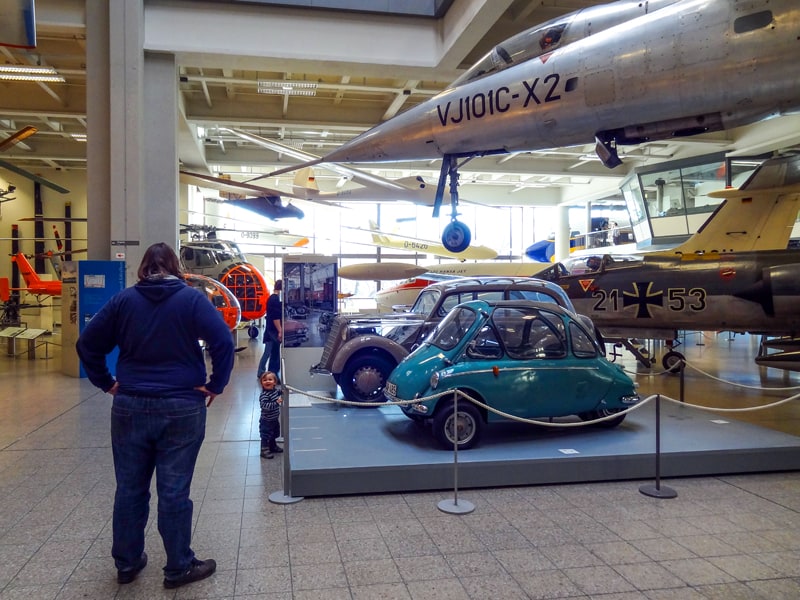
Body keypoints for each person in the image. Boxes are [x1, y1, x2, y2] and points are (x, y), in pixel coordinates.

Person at [75, 242, 234, 590]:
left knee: (129, 488)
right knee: (175, 490)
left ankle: (127, 564)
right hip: (182, 406)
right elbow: (222, 341)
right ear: (176, 267)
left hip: (130, 404)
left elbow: (87, 343)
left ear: (143, 268)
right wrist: (216, 385)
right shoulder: (192, 299)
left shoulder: (124, 301)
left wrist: (106, 382)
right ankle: (178, 567)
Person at [257, 279, 283, 378]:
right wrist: (280, 330)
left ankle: (262, 371)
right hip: (272, 331)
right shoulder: (275, 299)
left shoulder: (272, 298)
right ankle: (263, 372)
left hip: (270, 330)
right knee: (270, 352)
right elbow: (275, 317)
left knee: (269, 352)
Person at [258, 371, 284, 458]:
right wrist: (276, 403)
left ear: (274, 382)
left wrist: (284, 391)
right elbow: (265, 406)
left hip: (274, 418)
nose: (267, 381)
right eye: (264, 380)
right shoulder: (264, 395)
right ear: (261, 383)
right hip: (266, 420)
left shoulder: (275, 391)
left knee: (274, 433)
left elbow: (279, 392)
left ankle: (272, 446)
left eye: (270, 379)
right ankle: (264, 450)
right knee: (265, 435)